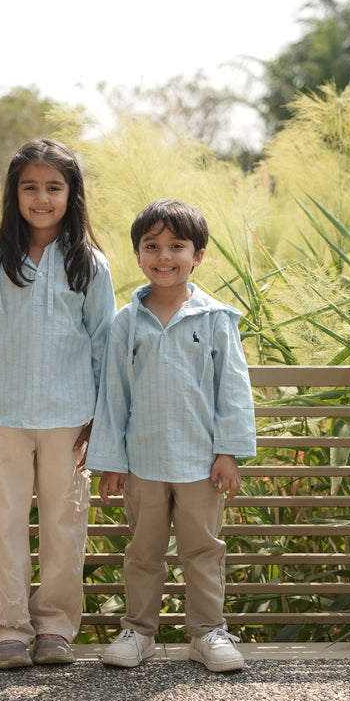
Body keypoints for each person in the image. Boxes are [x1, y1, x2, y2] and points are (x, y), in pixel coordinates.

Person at [0, 138, 116, 669]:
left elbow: (104, 345)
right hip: (5, 419)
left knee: (64, 526)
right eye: (31, 187)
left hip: (71, 422)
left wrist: (100, 420)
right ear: (15, 193)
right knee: (2, 525)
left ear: (72, 194)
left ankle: (54, 628)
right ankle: (6, 630)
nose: (42, 198)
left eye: (54, 187)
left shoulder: (89, 264)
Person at [86, 198, 256, 672]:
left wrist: (229, 453)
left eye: (176, 246)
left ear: (197, 255)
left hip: (202, 463)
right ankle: (138, 631)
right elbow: (113, 396)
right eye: (152, 246)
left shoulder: (216, 319)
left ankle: (207, 632)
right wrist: (112, 462)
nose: (164, 256)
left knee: (203, 549)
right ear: (138, 255)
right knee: (144, 551)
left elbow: (234, 391)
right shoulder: (126, 321)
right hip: (143, 462)